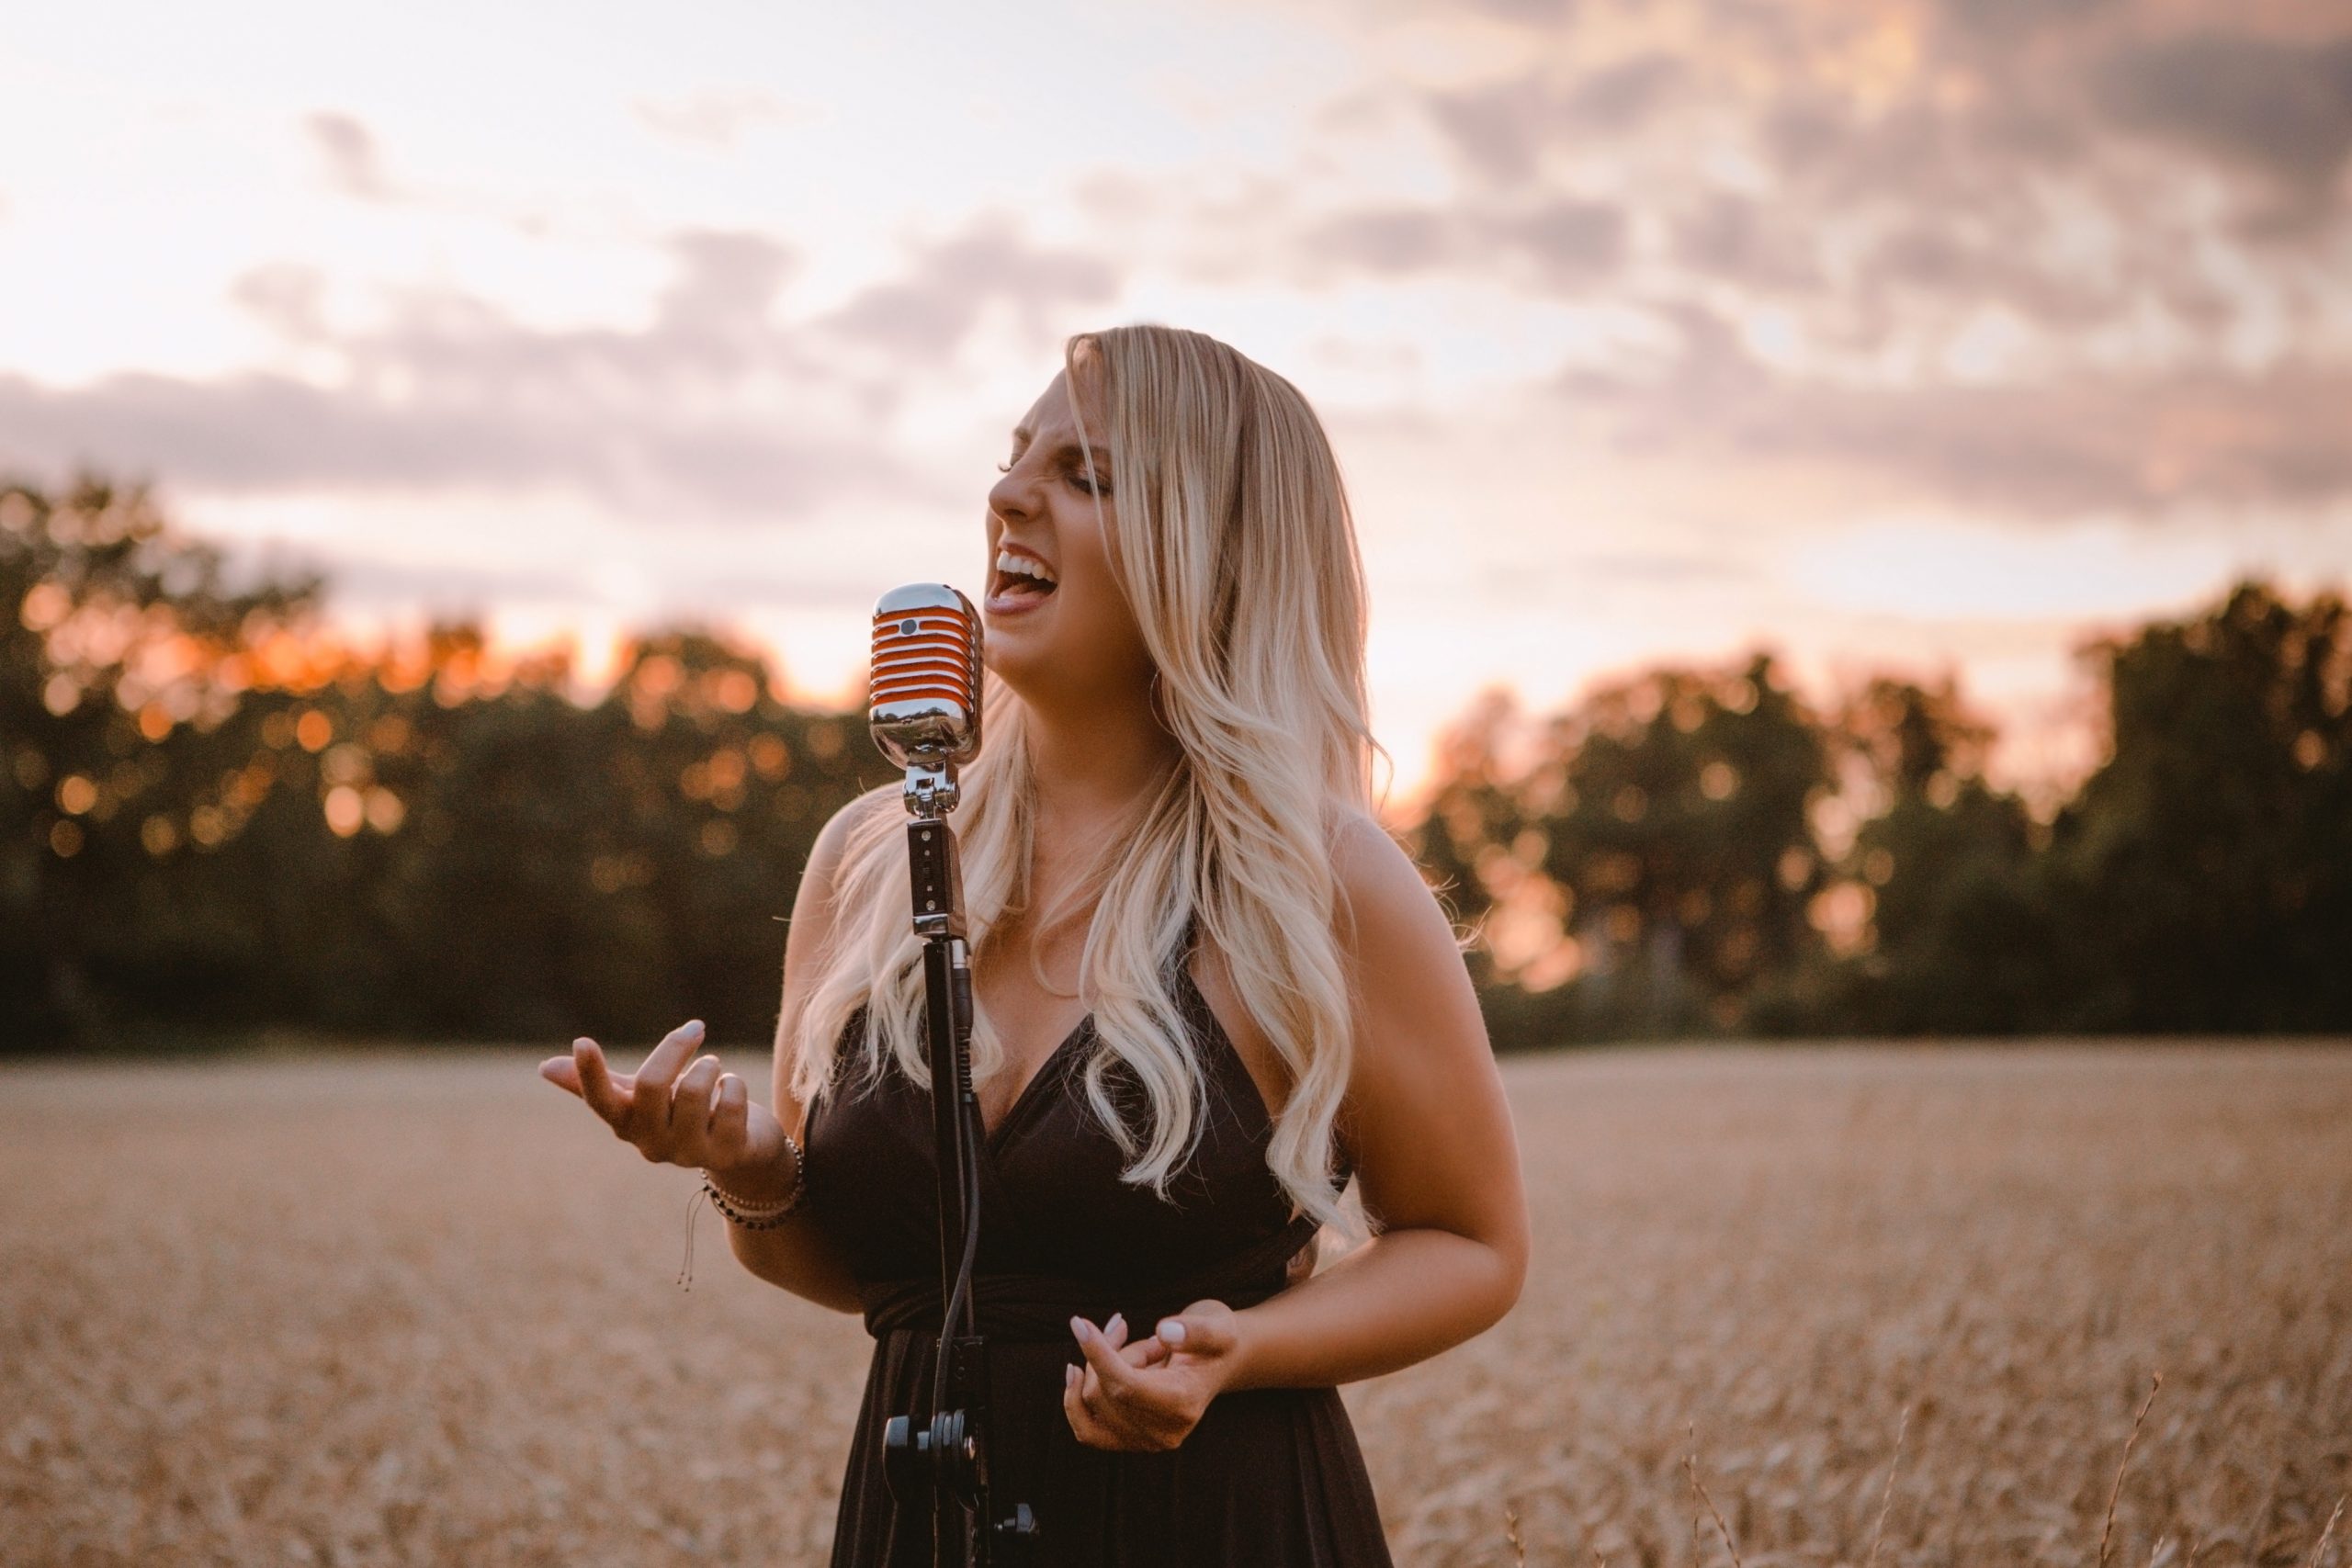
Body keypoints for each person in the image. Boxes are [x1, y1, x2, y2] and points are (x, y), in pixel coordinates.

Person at [539, 324, 1530, 1565]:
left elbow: (1474, 1244)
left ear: (1214, 555)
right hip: (917, 1530)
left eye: (1086, 475)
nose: (1006, 498)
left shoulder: (1314, 882)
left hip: (1217, 1524)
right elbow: (863, 1278)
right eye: (1016, 463)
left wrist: (1242, 1353)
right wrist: (748, 1170)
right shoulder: (868, 857)